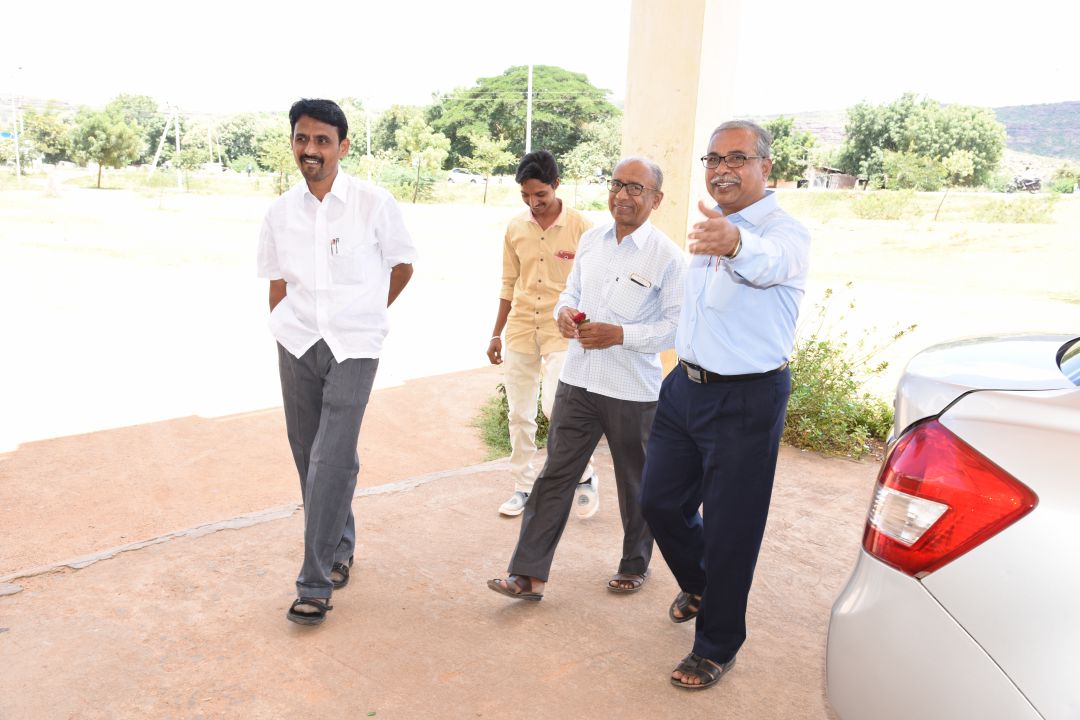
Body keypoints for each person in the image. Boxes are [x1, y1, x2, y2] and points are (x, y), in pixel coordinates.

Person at [639, 121, 811, 689]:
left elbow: (767, 263)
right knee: (659, 502)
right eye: (713, 158)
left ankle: (716, 644)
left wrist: (735, 242)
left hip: (746, 398)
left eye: (737, 158)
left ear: (766, 167)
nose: (722, 169)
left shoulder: (785, 234)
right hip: (684, 387)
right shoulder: (709, 223)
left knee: (731, 528)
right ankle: (701, 584)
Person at [487, 156, 684, 599]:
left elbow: (677, 327)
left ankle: (634, 564)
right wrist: (564, 313)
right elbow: (571, 291)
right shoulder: (592, 241)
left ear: (656, 199)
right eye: (616, 184)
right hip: (578, 380)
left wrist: (621, 335)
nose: (622, 195)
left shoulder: (668, 258)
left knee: (637, 483)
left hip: (630, 388)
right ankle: (528, 574)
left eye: (635, 188)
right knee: (555, 475)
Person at [256, 98, 417, 626]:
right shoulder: (279, 213)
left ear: (342, 147)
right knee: (309, 455)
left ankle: (314, 581)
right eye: (302, 138)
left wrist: (366, 313)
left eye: (322, 140)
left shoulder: (374, 203)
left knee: (332, 457)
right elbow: (276, 281)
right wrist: (284, 326)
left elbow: (402, 265)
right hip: (298, 342)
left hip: (355, 347)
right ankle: (340, 545)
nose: (311, 149)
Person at [487, 150, 598, 518]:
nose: (533, 203)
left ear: (556, 185)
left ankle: (584, 474)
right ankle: (523, 486)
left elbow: (593, 286)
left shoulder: (583, 228)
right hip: (521, 327)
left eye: (540, 195)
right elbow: (508, 282)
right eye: (525, 196)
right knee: (519, 412)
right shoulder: (515, 228)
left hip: (562, 331)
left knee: (556, 406)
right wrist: (496, 333)